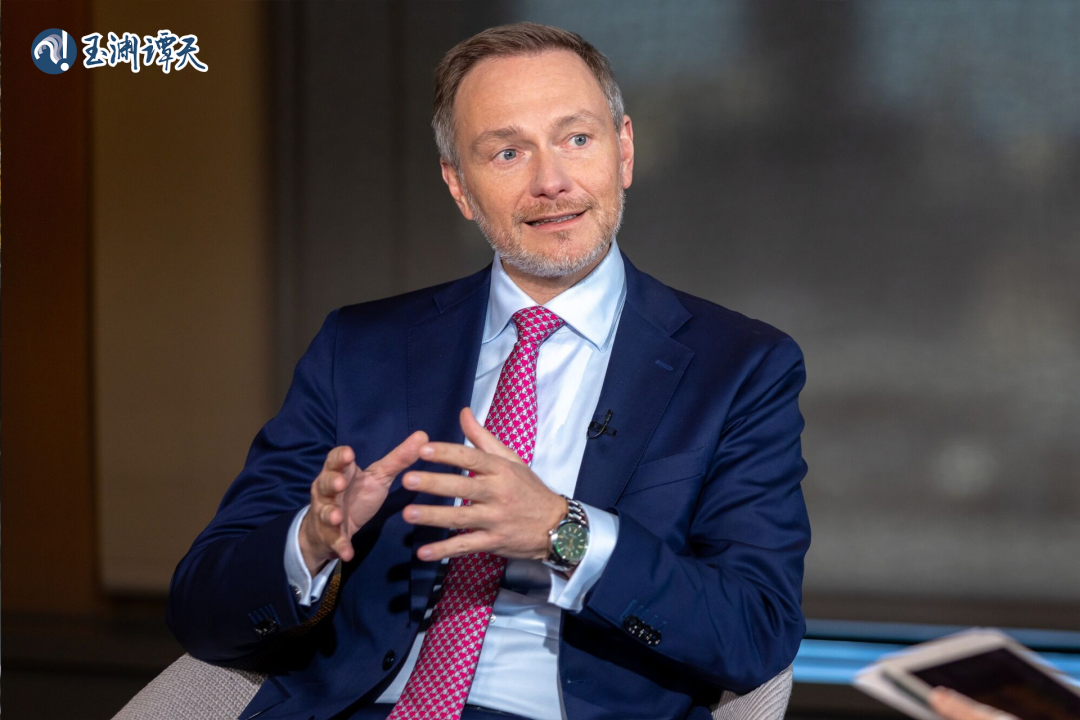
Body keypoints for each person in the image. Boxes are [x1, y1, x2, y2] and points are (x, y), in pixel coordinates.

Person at [167, 22, 811, 720]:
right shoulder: (359, 347)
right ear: (459, 185)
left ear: (624, 150)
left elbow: (756, 630)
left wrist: (565, 533)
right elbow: (201, 610)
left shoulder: (740, 366)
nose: (551, 182)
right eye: (508, 152)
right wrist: (309, 544)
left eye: (577, 139)